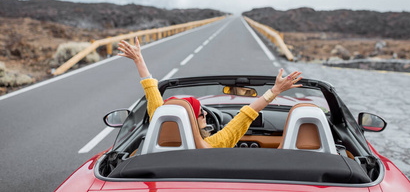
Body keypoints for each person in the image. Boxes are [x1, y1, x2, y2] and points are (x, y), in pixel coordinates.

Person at [118, 37, 303, 148]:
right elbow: (246, 115)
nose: (205, 112)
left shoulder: (155, 143)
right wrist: (276, 90)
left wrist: (138, 60)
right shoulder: (213, 144)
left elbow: (153, 97)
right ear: (191, 121)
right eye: (200, 112)